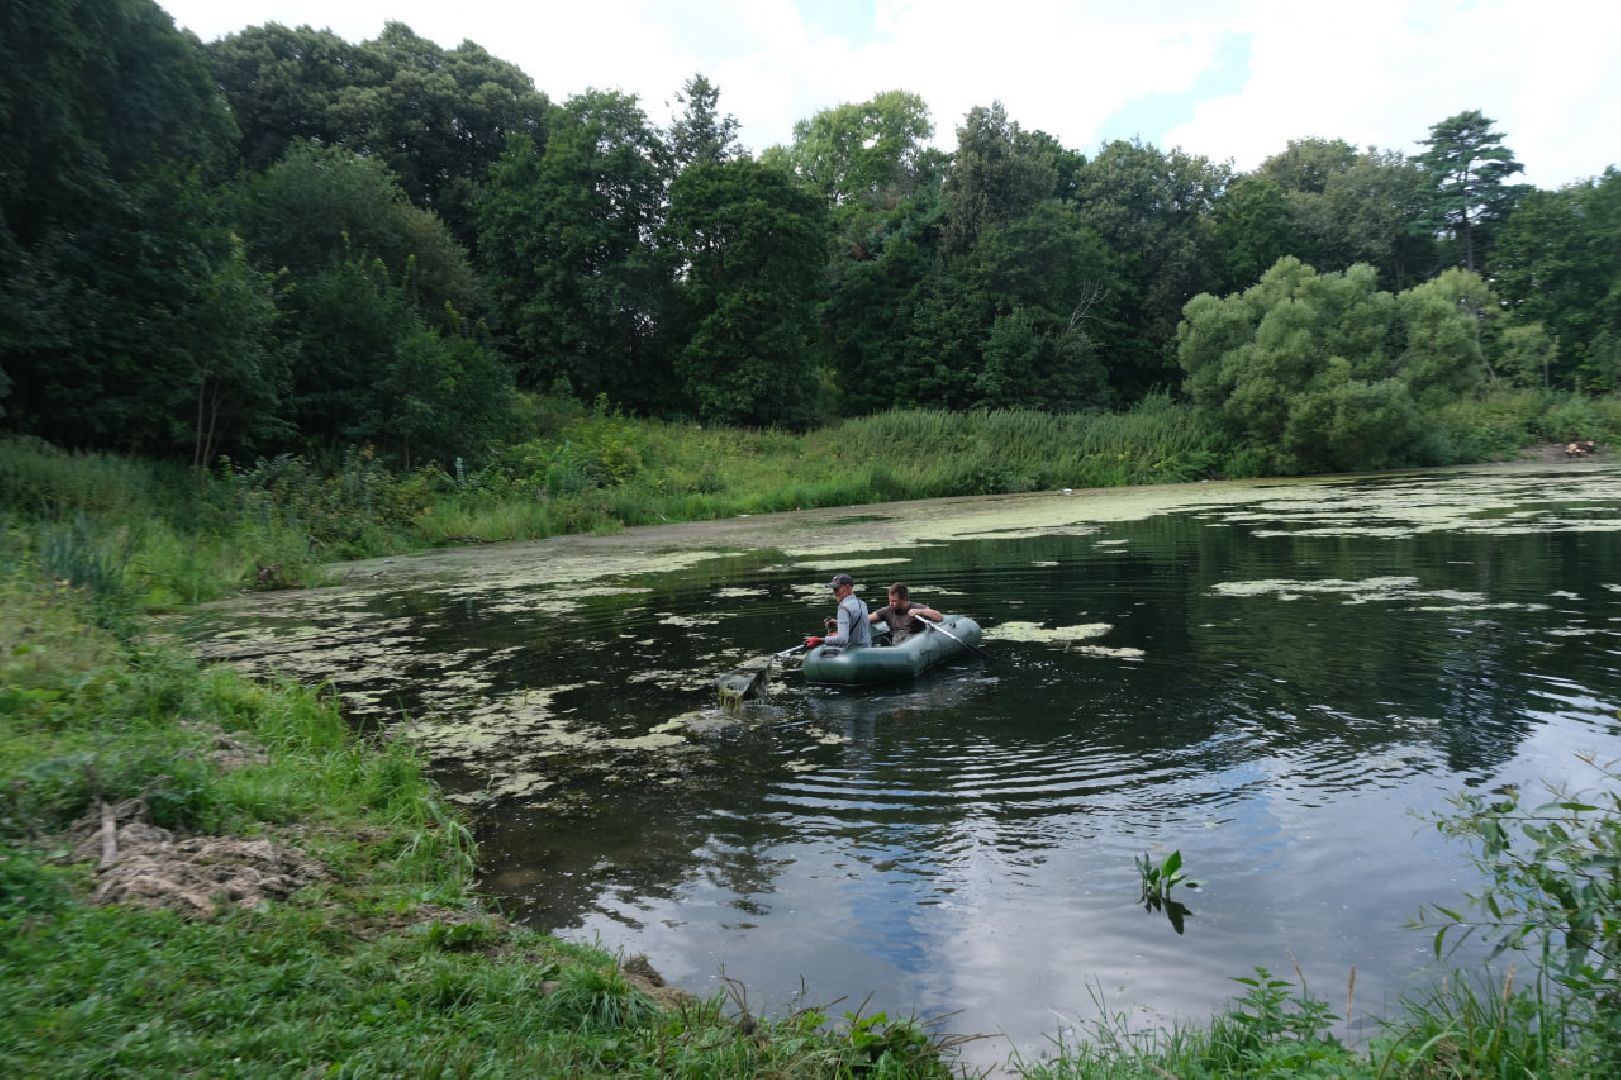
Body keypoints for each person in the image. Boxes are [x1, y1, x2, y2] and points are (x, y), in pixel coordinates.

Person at [804, 573, 871, 650]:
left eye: (836, 589)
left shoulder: (844, 608)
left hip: (853, 654)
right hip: (866, 650)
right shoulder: (862, 604)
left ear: (847, 587)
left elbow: (842, 639)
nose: (834, 593)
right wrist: (837, 623)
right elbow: (859, 626)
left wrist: (819, 640)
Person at [867, 582, 942, 645]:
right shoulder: (887, 611)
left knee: (904, 638)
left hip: (914, 641)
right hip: (897, 639)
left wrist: (919, 612)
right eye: (890, 600)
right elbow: (867, 619)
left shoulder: (916, 608)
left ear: (904, 599)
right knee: (896, 638)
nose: (891, 604)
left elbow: (939, 617)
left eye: (894, 601)